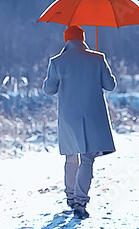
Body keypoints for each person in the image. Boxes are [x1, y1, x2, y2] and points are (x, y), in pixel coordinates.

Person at [42, 24, 116, 219]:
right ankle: (80, 202)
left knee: (71, 156)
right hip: (92, 114)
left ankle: (70, 196)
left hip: (69, 116)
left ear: (66, 39)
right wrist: (102, 68)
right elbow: (110, 86)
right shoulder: (97, 58)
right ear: (83, 39)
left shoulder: (57, 62)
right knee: (87, 158)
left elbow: (49, 90)